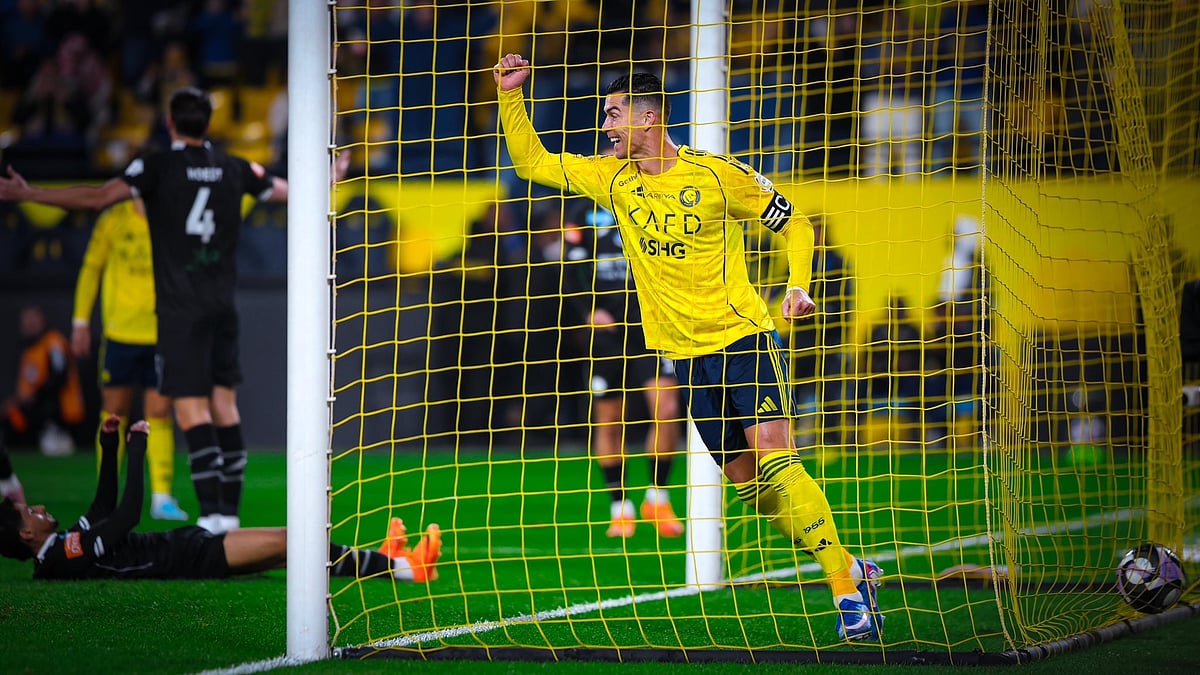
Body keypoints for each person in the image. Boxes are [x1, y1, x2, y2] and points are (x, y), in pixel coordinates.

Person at [493, 54, 885, 642]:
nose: (605, 126)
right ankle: (853, 567)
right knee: (755, 488)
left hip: (743, 340)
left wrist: (797, 285)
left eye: (613, 114)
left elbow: (798, 225)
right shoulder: (612, 178)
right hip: (688, 360)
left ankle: (847, 595)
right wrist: (510, 95)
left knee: (780, 462)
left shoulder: (716, 174)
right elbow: (530, 162)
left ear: (647, 119)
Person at [0, 87, 288, 536]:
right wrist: (330, 177)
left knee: (191, 411)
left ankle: (212, 517)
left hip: (179, 311)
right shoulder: (234, 167)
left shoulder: (158, 167)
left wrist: (29, 193)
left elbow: (97, 198)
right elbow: (285, 191)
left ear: (170, 123)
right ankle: (228, 512)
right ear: (208, 124)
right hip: (222, 307)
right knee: (225, 408)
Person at [0, 416, 441, 582]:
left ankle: (386, 564)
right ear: (25, 534)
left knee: (290, 553)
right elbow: (126, 516)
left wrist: (110, 445)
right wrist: (137, 451)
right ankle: (405, 569)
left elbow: (100, 510)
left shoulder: (58, 549)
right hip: (188, 558)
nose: (38, 507)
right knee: (291, 542)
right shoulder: (61, 559)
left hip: (184, 546)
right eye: (29, 511)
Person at [562, 199, 683, 538]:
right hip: (607, 335)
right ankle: (620, 508)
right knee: (609, 419)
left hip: (652, 328)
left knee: (668, 408)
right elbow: (571, 267)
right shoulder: (583, 209)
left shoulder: (655, 197)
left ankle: (657, 498)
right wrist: (588, 310)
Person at [71, 198, 187, 521]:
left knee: (160, 412)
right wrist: (80, 320)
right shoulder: (113, 219)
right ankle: (106, 492)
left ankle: (161, 496)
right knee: (113, 413)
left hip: (160, 332)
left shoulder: (171, 216)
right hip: (119, 333)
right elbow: (91, 268)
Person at [3, 305, 86, 457]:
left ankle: (56, 433)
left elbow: (59, 376)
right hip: (33, 407)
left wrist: (35, 396)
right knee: (10, 417)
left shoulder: (53, 342)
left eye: (33, 322)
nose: (29, 326)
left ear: (42, 322)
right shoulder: (29, 349)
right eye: (26, 323)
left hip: (58, 409)